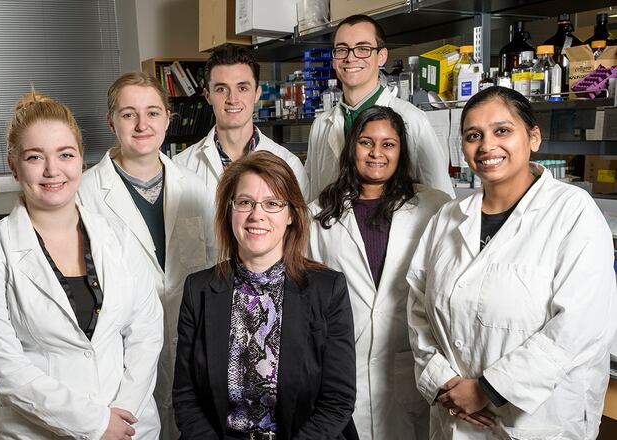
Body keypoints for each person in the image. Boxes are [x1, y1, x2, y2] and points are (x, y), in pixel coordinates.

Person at [407, 86, 617, 439]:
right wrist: (442, 380)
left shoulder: (572, 211)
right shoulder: (448, 217)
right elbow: (417, 305)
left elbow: (581, 327)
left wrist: (487, 390)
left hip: (534, 421)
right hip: (455, 414)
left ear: (533, 137)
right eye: (474, 135)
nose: (487, 146)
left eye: (502, 131)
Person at [0, 91, 163, 439]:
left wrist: (120, 418)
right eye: (35, 157)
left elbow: (146, 331)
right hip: (43, 431)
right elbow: (3, 368)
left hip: (129, 427)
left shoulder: (117, 236)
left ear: (81, 160)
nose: (52, 170)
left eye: (65, 155)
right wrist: (95, 424)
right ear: (14, 165)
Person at [173, 151, 359, 439]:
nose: (256, 214)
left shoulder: (327, 290)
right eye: (245, 202)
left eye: (272, 203)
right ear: (229, 211)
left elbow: (337, 401)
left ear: (291, 216)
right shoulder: (198, 290)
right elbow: (186, 399)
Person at [78, 72, 215, 439]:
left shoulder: (196, 188)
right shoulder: (84, 194)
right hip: (120, 359)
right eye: (128, 114)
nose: (142, 125)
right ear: (111, 122)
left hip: (190, 344)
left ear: (168, 119)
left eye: (153, 113)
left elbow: (217, 268)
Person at [308, 106, 450, 440]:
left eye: (388, 144)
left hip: (409, 367)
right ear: (351, 148)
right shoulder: (319, 213)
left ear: (401, 151)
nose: (376, 153)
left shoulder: (434, 207)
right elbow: (308, 297)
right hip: (341, 370)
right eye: (366, 142)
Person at [305, 15, 454, 201]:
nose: (350, 58)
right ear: (334, 59)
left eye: (363, 49)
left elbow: (441, 199)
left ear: (381, 56)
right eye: (342, 50)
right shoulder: (321, 125)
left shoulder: (412, 119)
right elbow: (311, 196)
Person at [173, 44, 310, 199]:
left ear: (257, 93)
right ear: (207, 96)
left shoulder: (289, 165)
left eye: (242, 88)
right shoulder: (180, 167)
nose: (233, 99)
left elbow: (300, 223)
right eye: (221, 89)